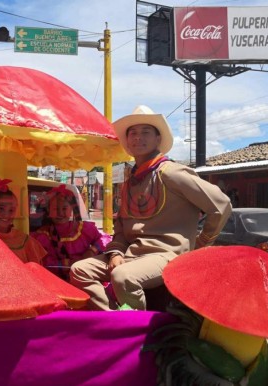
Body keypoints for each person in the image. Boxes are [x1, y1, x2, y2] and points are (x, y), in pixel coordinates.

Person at [70, 105, 232, 311]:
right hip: (133, 254)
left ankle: (140, 332)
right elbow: (121, 228)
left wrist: (199, 245)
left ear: (158, 139)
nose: (138, 138)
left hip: (167, 255)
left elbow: (221, 205)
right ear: (127, 141)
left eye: (145, 132)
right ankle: (115, 318)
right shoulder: (130, 181)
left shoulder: (171, 172)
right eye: (133, 133)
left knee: (123, 276)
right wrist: (116, 253)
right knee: (79, 270)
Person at [31, 184, 111, 280]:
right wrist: (67, 264)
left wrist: (92, 250)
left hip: (85, 278)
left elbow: (105, 239)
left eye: (64, 209)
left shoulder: (84, 228)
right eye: (56, 209)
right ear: (49, 211)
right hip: (56, 282)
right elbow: (42, 262)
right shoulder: (42, 235)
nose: (60, 213)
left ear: (71, 210)